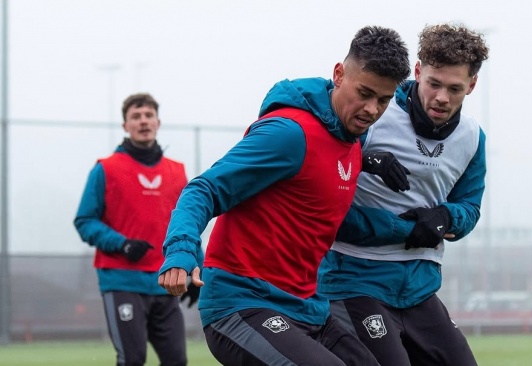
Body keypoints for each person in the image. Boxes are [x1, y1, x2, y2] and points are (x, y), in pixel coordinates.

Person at [157, 25, 411, 366]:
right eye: (364, 93)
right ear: (339, 74)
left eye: (383, 99)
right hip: (241, 305)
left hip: (308, 309)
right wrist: (181, 251)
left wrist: (405, 221)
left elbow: (323, 207)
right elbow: (204, 189)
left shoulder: (353, 142)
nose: (371, 109)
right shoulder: (288, 133)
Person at [318, 23, 488, 366]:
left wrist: (445, 218)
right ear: (417, 72)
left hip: (419, 286)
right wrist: (363, 161)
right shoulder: (374, 115)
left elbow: (469, 207)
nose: (441, 97)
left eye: (454, 88)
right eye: (433, 84)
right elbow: (325, 200)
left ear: (471, 86)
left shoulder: (472, 137)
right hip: (354, 280)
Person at [74, 93, 198, 366]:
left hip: (165, 282)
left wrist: (192, 269)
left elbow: (188, 224)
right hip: (122, 282)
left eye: (148, 115)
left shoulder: (177, 173)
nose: (143, 121)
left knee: (177, 360)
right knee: (132, 359)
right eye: (136, 116)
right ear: (125, 126)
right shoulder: (105, 169)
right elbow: (84, 221)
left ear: (158, 122)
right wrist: (122, 243)